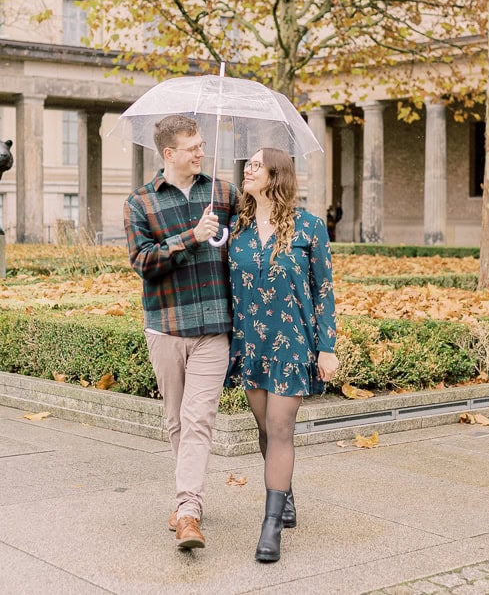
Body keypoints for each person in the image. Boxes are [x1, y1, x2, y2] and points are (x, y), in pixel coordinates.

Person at [123, 114, 238, 551]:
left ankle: (189, 511)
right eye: (192, 146)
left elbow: (248, 244)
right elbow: (143, 262)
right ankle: (186, 498)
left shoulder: (224, 194)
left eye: (202, 144)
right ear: (169, 153)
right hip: (166, 326)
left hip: (213, 328)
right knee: (176, 421)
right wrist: (192, 236)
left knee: (198, 419)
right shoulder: (141, 202)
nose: (201, 152)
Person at [228, 147, 339, 563]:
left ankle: (271, 525)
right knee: (264, 428)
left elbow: (324, 291)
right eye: (248, 163)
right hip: (250, 346)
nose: (248, 169)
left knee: (279, 430)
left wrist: (326, 347)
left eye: (257, 164)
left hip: (292, 344)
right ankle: (285, 495)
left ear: (278, 174)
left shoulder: (309, 228)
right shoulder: (233, 229)